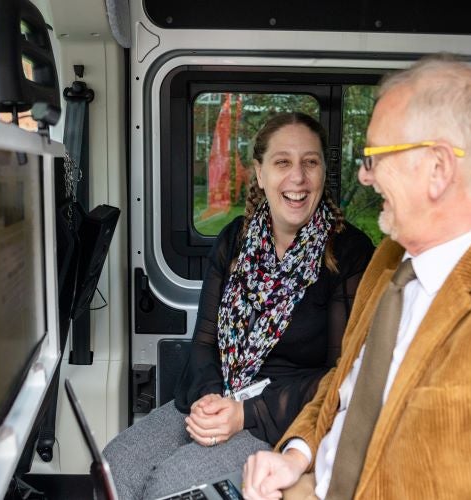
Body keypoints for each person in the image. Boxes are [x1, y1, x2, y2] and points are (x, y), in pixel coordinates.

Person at [242, 54, 471, 499]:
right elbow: (344, 380)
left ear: (437, 169)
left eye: (375, 156)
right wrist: (296, 456)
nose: (365, 176)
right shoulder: (391, 256)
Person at [103, 112, 374, 499]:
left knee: (173, 482)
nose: (297, 177)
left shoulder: (348, 252)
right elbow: (203, 343)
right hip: (216, 396)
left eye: (310, 163)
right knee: (116, 465)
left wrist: (245, 413)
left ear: (322, 174)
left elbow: (340, 374)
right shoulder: (235, 238)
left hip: (281, 415)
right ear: (260, 174)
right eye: (283, 162)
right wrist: (212, 400)